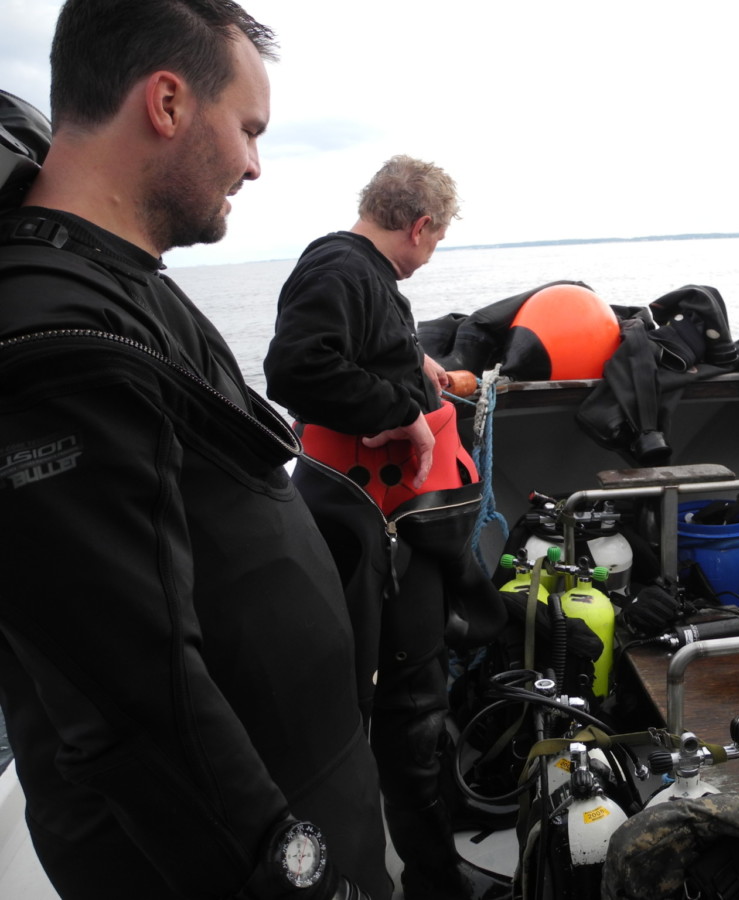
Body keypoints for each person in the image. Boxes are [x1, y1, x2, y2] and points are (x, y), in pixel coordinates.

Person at [0, 3, 390, 899]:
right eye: (248, 129)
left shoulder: (115, 284)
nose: (254, 164)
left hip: (307, 788)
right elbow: (137, 704)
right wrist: (301, 881)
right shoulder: (55, 342)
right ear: (168, 102)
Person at [264, 156, 504, 900]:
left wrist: (413, 366)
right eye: (437, 241)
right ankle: (430, 881)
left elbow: (353, 354)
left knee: (420, 698)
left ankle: (431, 846)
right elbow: (295, 368)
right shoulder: (342, 269)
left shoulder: (362, 277)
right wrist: (402, 411)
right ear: (421, 225)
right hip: (373, 533)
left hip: (396, 528)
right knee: (406, 711)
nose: (430, 255)